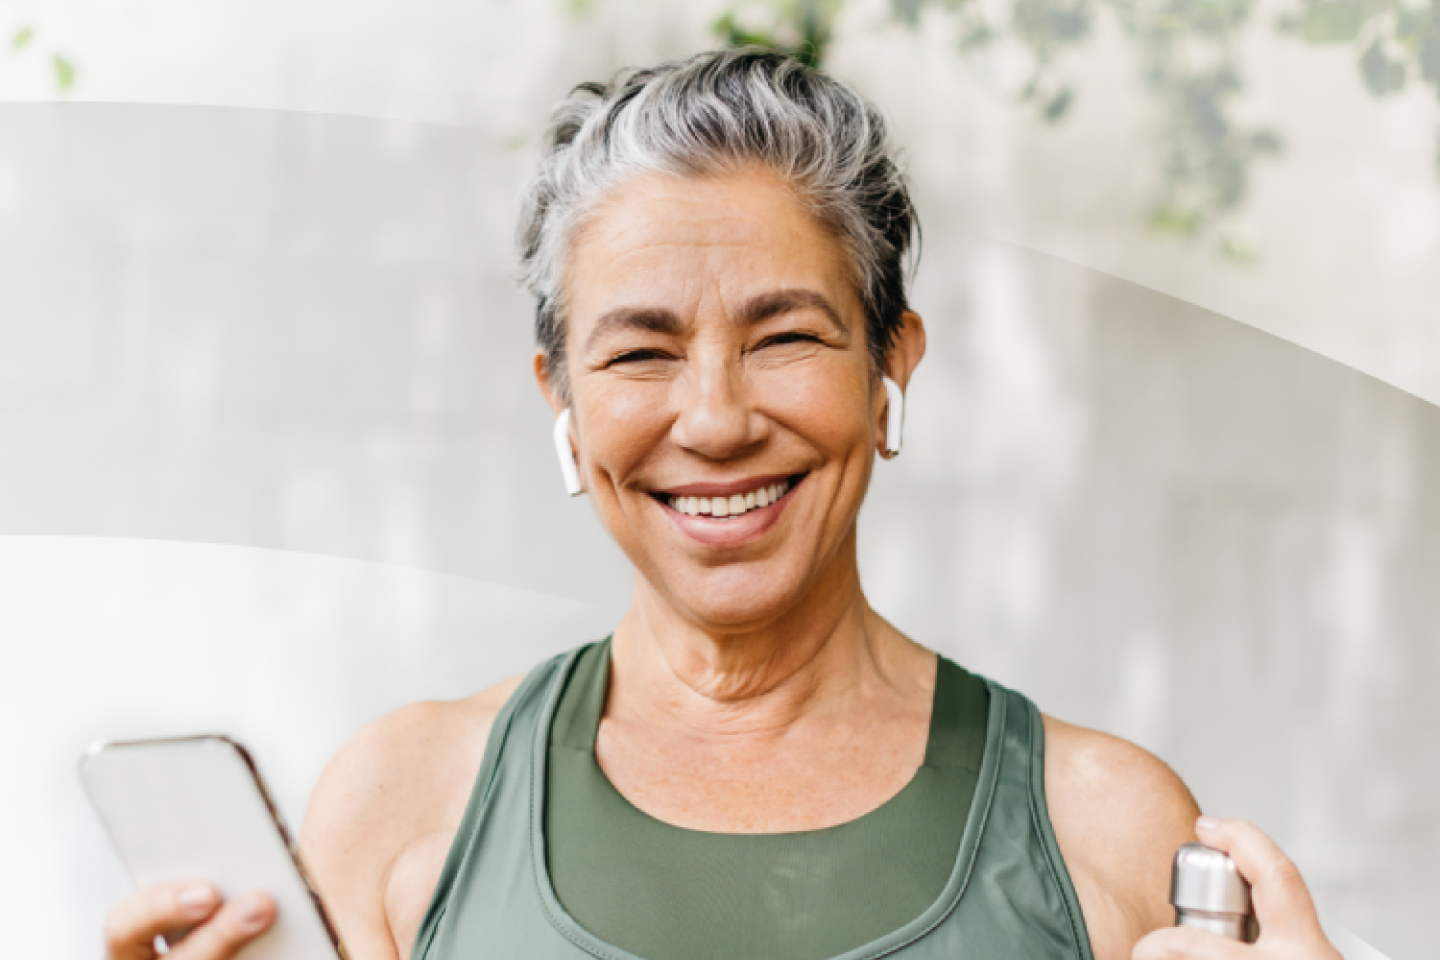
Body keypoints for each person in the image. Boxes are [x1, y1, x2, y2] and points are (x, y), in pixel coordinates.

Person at [103, 50, 1344, 960]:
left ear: (890, 363)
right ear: (564, 400)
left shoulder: (1105, 825)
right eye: (640, 353)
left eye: (787, 336)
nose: (713, 418)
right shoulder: (404, 801)